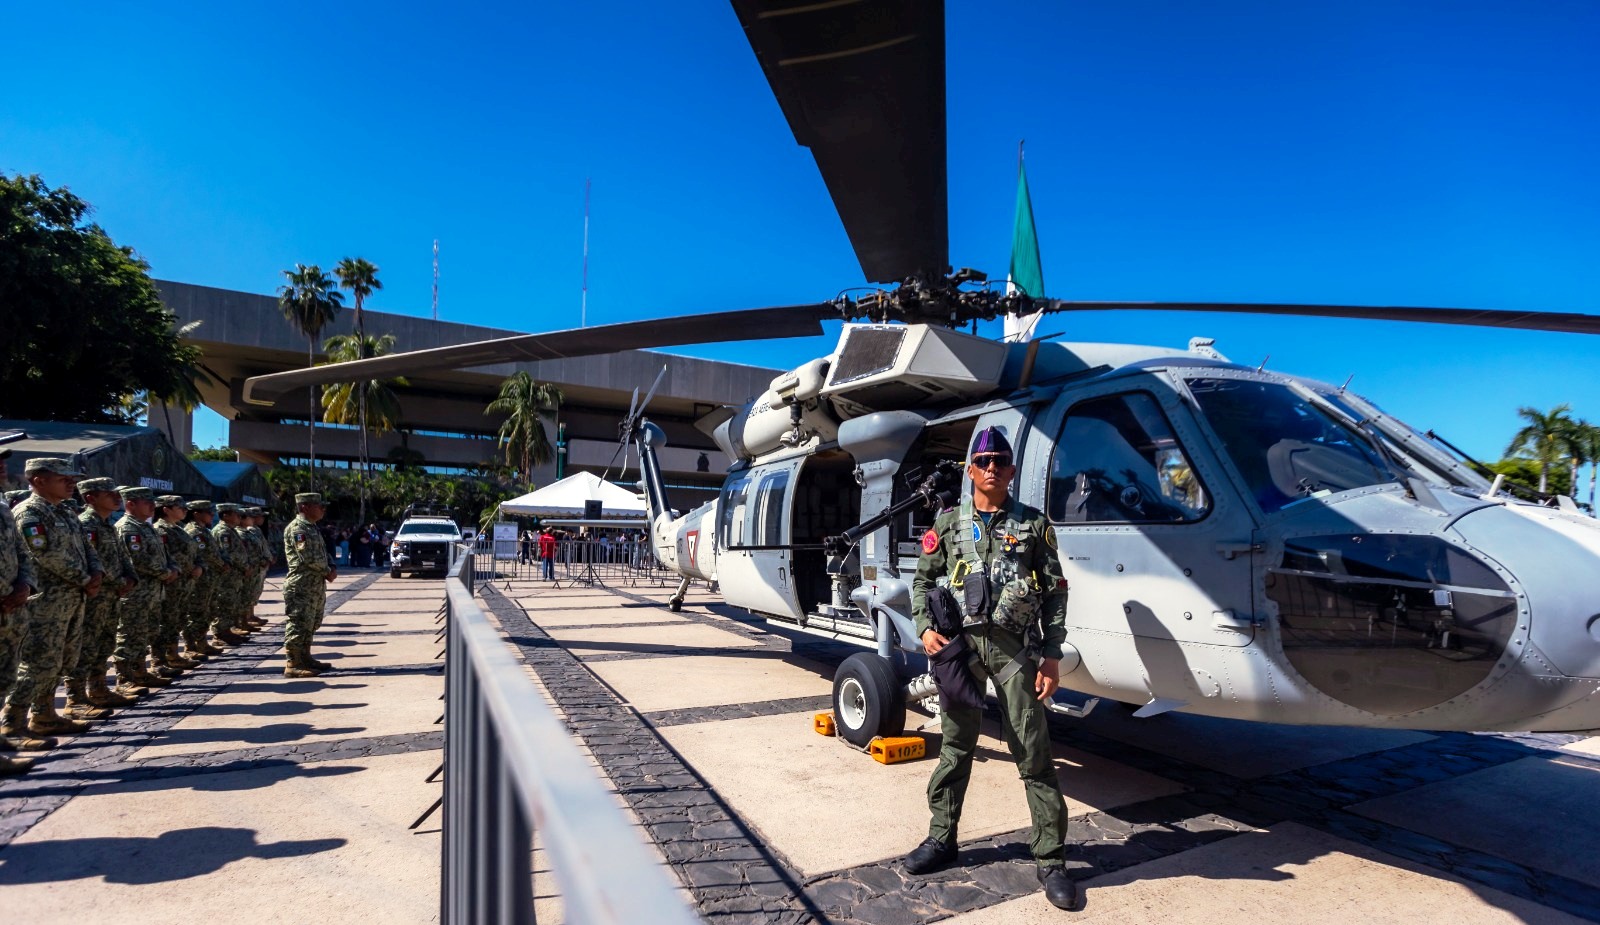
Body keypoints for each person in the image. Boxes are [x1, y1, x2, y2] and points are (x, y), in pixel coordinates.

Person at [902, 427, 1078, 912]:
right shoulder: (948, 523)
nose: (992, 467)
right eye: (983, 460)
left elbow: (1056, 589)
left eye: (1001, 459)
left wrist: (1053, 654)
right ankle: (942, 839)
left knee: (1034, 751)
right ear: (970, 469)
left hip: (1014, 650)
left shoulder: (1034, 524)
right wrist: (923, 629)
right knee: (956, 747)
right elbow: (923, 581)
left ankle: (1052, 857)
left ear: (1012, 469)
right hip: (960, 650)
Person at [3, 458, 103, 741]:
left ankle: (45, 715)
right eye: (63, 479)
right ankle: (13, 720)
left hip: (73, 598)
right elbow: (45, 555)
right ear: (38, 481)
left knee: (62, 659)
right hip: (47, 602)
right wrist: (85, 579)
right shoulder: (30, 513)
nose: (71, 483)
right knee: (40, 660)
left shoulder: (68, 513)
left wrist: (96, 572)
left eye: (72, 478)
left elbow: (87, 548)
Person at [71, 478, 139, 709]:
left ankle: (99, 689)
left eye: (116, 494)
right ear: (91, 498)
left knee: (104, 643)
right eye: (109, 494)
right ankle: (77, 698)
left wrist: (130, 577)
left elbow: (122, 557)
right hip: (96, 595)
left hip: (111, 595)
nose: (116, 498)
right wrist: (118, 580)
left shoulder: (107, 523)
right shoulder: (87, 524)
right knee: (86, 646)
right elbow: (93, 561)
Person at [0, 450, 47, 773]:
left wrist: (24, 584)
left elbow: (23, 553)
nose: (3, 465)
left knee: (5, 675)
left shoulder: (3, 506)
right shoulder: (26, 510)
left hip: (13, 606)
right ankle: (15, 724)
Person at [113, 486, 180, 687]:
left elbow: (163, 554)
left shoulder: (145, 526)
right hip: (136, 592)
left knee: (146, 632)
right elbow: (139, 560)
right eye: (147, 502)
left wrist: (172, 567)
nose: (152, 506)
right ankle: (126, 677)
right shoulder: (128, 527)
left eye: (153, 502)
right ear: (130, 504)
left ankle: (140, 671)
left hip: (151, 591)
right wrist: (166, 573)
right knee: (130, 633)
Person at [282, 493, 335, 677]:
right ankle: (293, 663)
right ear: (304, 507)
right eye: (318, 505)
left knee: (310, 623)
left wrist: (330, 566)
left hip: (313, 584)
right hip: (301, 585)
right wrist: (327, 570)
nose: (323, 509)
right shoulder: (298, 529)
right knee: (298, 623)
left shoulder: (312, 527)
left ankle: (305, 657)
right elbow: (308, 557)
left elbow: (322, 552)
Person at [153, 496, 203, 670]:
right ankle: (160, 659)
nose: (184, 510)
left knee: (177, 619)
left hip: (184, 582)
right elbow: (167, 555)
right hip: (172, 583)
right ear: (166, 509)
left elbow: (194, 552)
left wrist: (199, 565)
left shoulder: (180, 529)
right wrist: (186, 567)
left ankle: (173, 654)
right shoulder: (161, 530)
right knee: (166, 621)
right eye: (180, 507)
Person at [183, 501, 226, 657]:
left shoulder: (204, 530)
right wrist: (221, 563)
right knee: (195, 613)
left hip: (209, 578)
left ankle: (201, 643)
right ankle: (190, 646)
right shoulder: (194, 532)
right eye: (208, 512)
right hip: (199, 579)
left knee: (206, 612)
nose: (212, 515)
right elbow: (206, 555)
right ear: (196, 514)